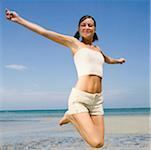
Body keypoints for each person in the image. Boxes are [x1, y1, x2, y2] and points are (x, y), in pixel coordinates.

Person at [5, 9, 126, 148]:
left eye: (90, 25)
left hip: (97, 100)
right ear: (79, 28)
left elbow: (107, 59)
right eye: (83, 25)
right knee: (95, 142)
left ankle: (71, 116)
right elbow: (45, 32)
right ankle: (71, 115)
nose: (87, 27)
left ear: (95, 29)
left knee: (100, 143)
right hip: (80, 97)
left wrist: (118, 60)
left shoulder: (98, 49)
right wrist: (19, 20)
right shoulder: (74, 43)